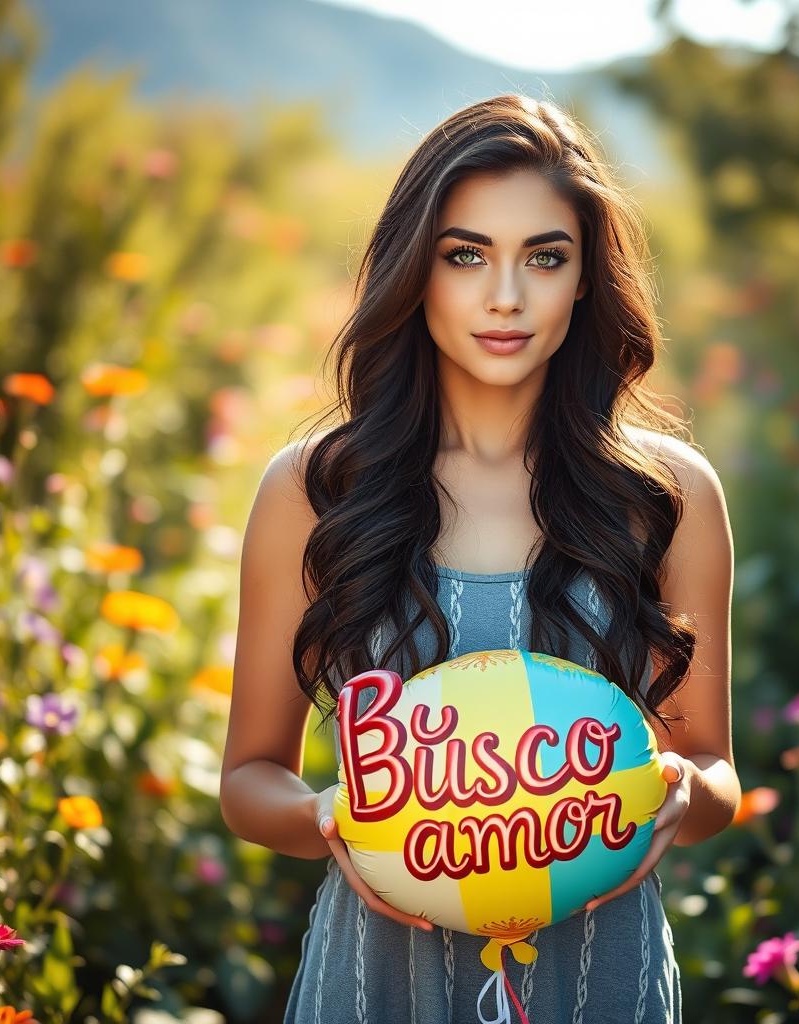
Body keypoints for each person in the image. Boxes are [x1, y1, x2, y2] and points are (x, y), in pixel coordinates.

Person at [219, 93, 740, 1024]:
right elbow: (250, 776)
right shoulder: (314, 489)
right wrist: (330, 821)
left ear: (586, 280)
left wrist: (681, 792)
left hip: (601, 979)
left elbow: (714, 772)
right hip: (376, 979)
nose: (507, 296)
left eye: (545, 257)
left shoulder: (667, 495)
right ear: (416, 271)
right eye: (467, 255)